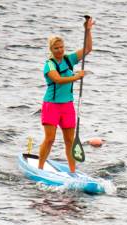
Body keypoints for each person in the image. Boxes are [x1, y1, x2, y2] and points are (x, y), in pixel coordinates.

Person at [38, 16, 94, 173]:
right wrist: (76, 77)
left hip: (67, 106)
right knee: (50, 139)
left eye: (61, 47)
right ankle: (40, 168)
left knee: (70, 140)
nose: (60, 50)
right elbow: (57, 79)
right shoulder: (49, 64)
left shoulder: (69, 60)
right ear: (51, 50)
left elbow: (88, 49)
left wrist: (88, 31)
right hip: (51, 105)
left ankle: (72, 171)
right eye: (56, 48)